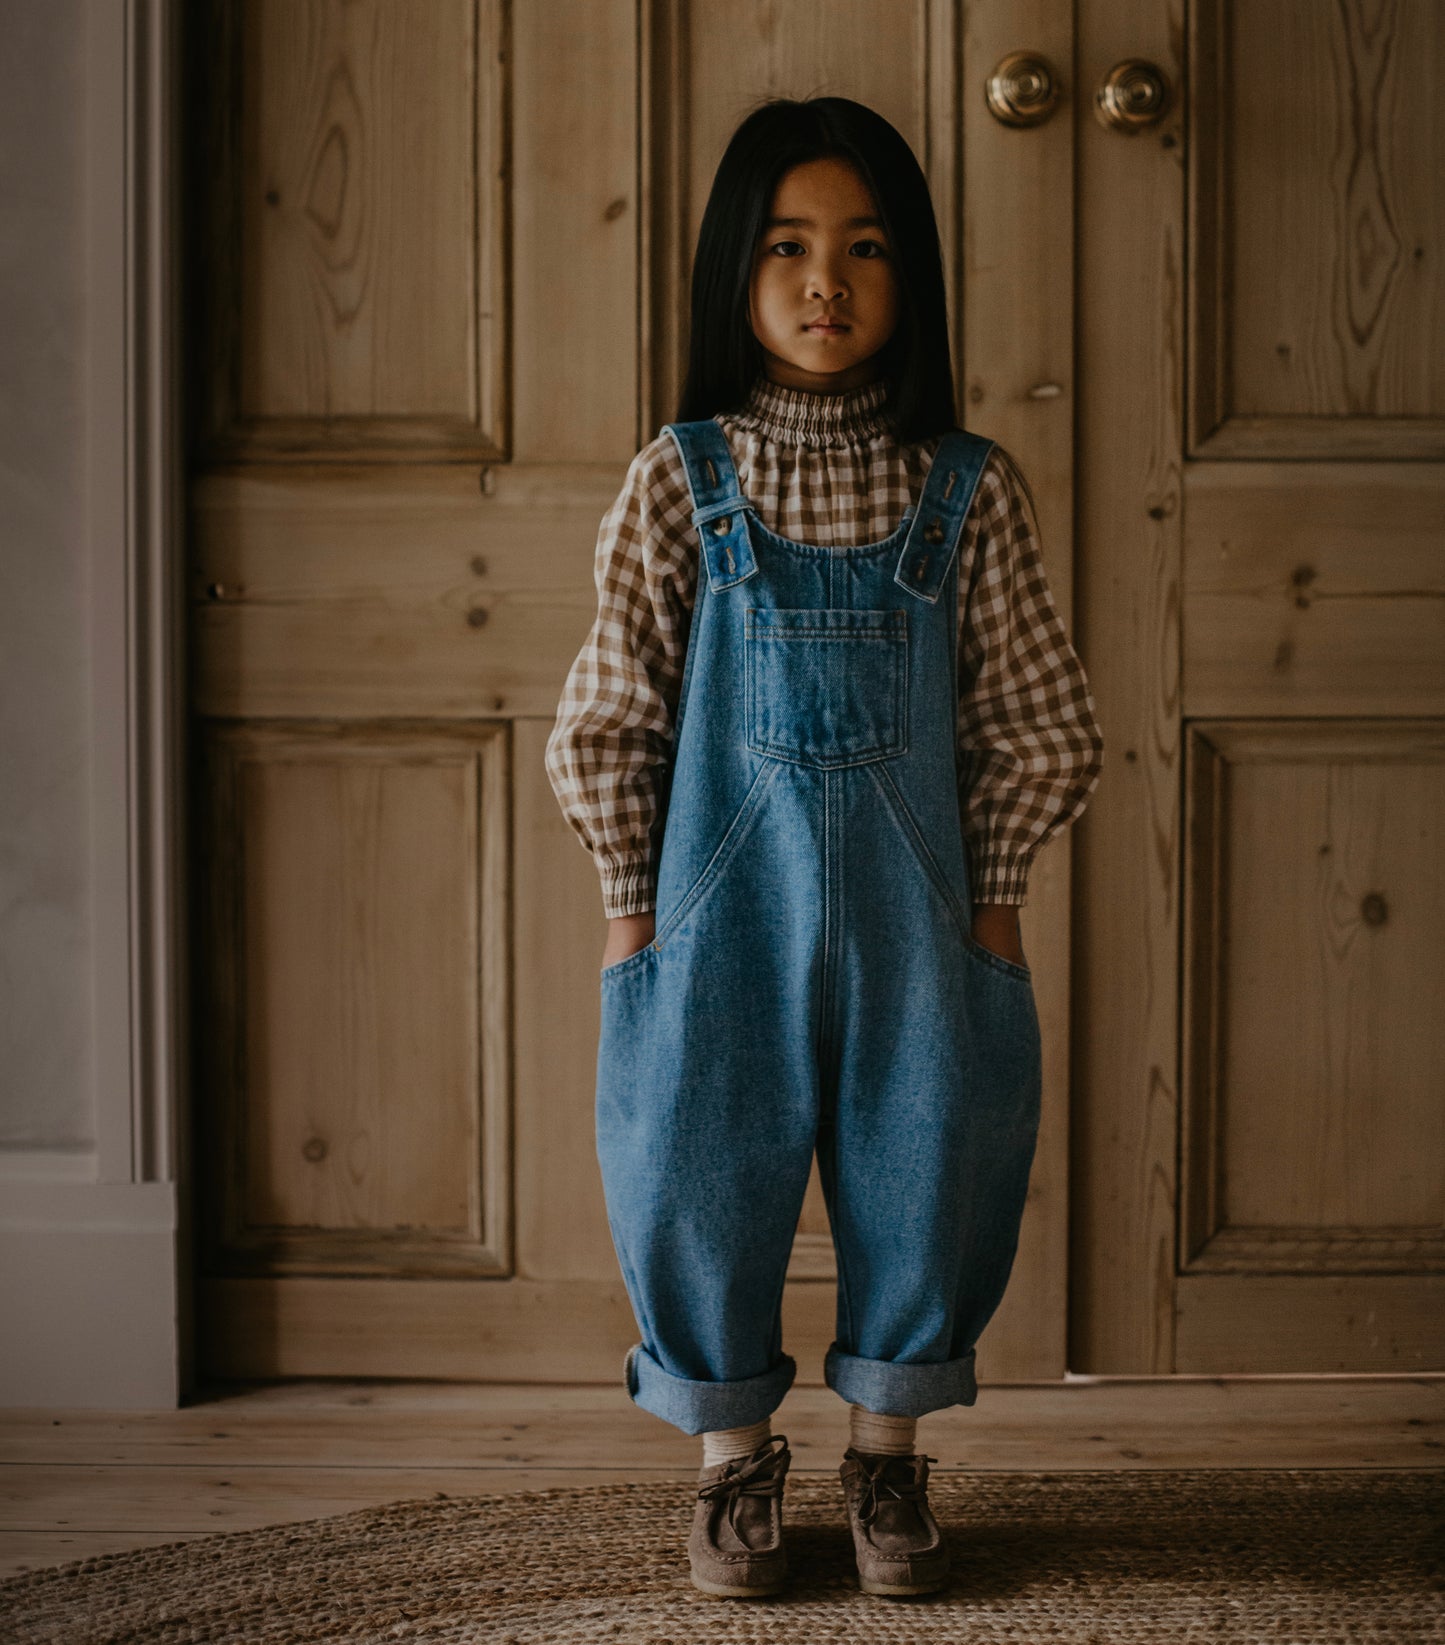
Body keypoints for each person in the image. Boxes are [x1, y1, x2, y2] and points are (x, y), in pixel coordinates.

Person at [544, 95, 1104, 1600]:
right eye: (787, 245)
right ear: (736, 266)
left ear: (907, 276)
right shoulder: (681, 481)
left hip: (924, 923)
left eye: (863, 248)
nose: (824, 281)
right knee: (689, 1169)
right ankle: (730, 1469)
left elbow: (1039, 719)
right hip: (709, 920)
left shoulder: (964, 491)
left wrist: (995, 901)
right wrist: (626, 915)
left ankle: (887, 1459)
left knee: (931, 1163)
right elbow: (609, 717)